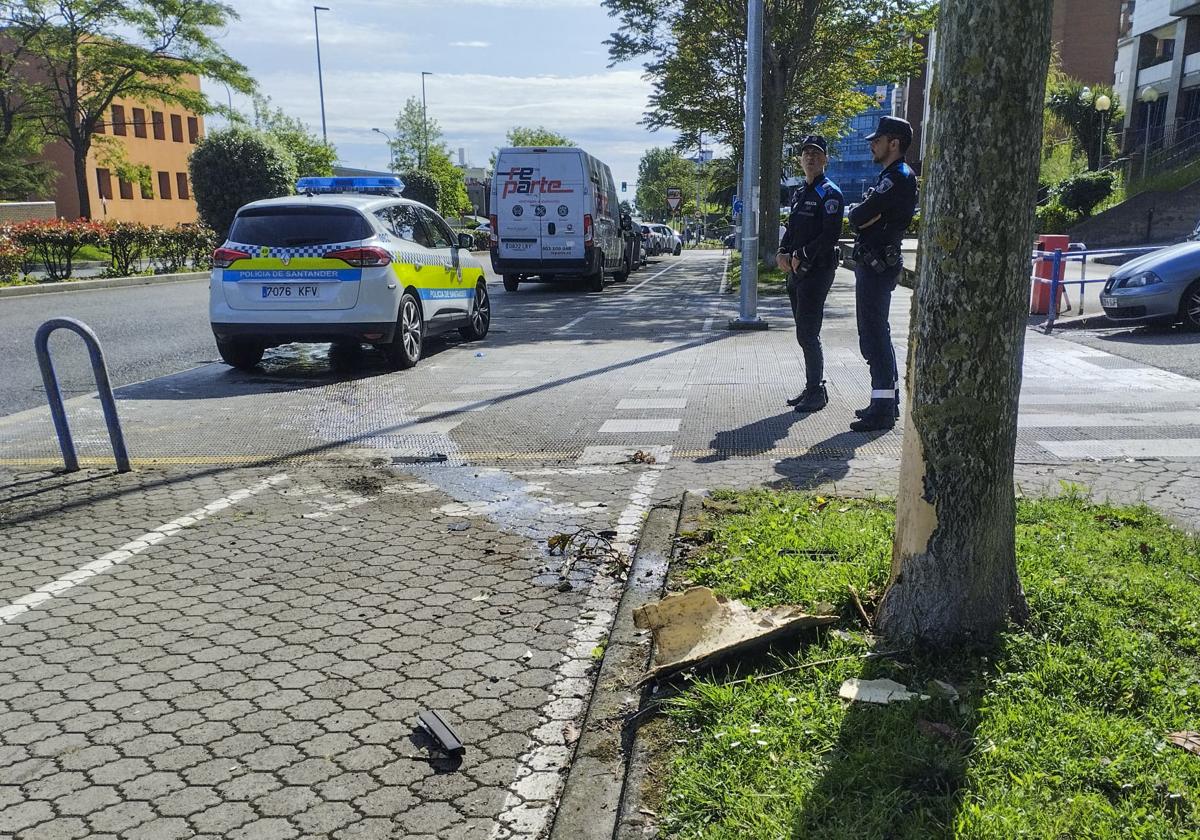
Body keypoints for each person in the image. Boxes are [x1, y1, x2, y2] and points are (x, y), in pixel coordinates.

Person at [846, 116, 918, 432]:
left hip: (878, 264)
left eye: (878, 140)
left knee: (874, 334)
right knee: (875, 332)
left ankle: (883, 409)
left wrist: (866, 216)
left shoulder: (897, 177)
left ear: (894, 143)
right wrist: (865, 216)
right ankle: (884, 402)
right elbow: (859, 217)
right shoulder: (890, 176)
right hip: (875, 262)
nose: (872, 144)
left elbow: (859, 214)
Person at [777, 135, 844, 413]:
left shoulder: (830, 193)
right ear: (800, 159)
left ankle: (817, 391)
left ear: (825, 159)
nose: (810, 158)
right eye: (806, 153)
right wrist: (782, 251)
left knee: (808, 332)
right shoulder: (800, 192)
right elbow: (792, 229)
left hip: (817, 270)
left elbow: (830, 236)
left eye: (816, 153)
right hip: (796, 271)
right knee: (803, 332)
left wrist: (800, 255)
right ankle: (812, 386)